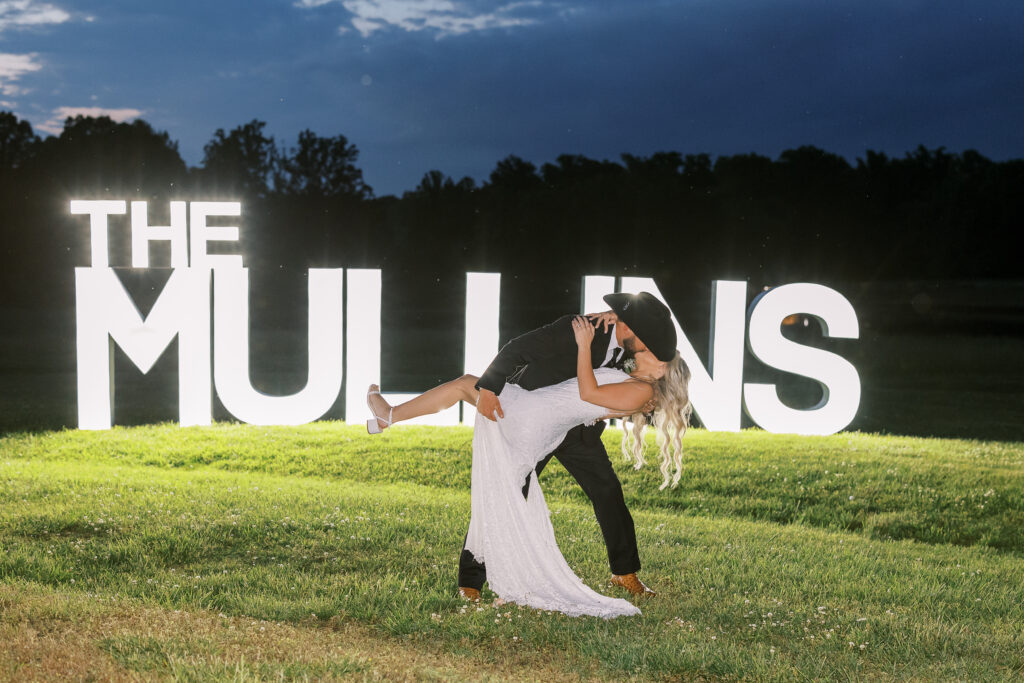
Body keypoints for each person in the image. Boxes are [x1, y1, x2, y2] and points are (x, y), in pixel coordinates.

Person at [366, 292, 692, 615]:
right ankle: (471, 579)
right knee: (509, 488)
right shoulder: (578, 328)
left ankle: (625, 573)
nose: (652, 351)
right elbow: (517, 349)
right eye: (647, 342)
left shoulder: (634, 350)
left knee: (607, 491)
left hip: (578, 429)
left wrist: (646, 404)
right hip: (537, 414)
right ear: (630, 330)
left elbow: (631, 391)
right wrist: (492, 387)